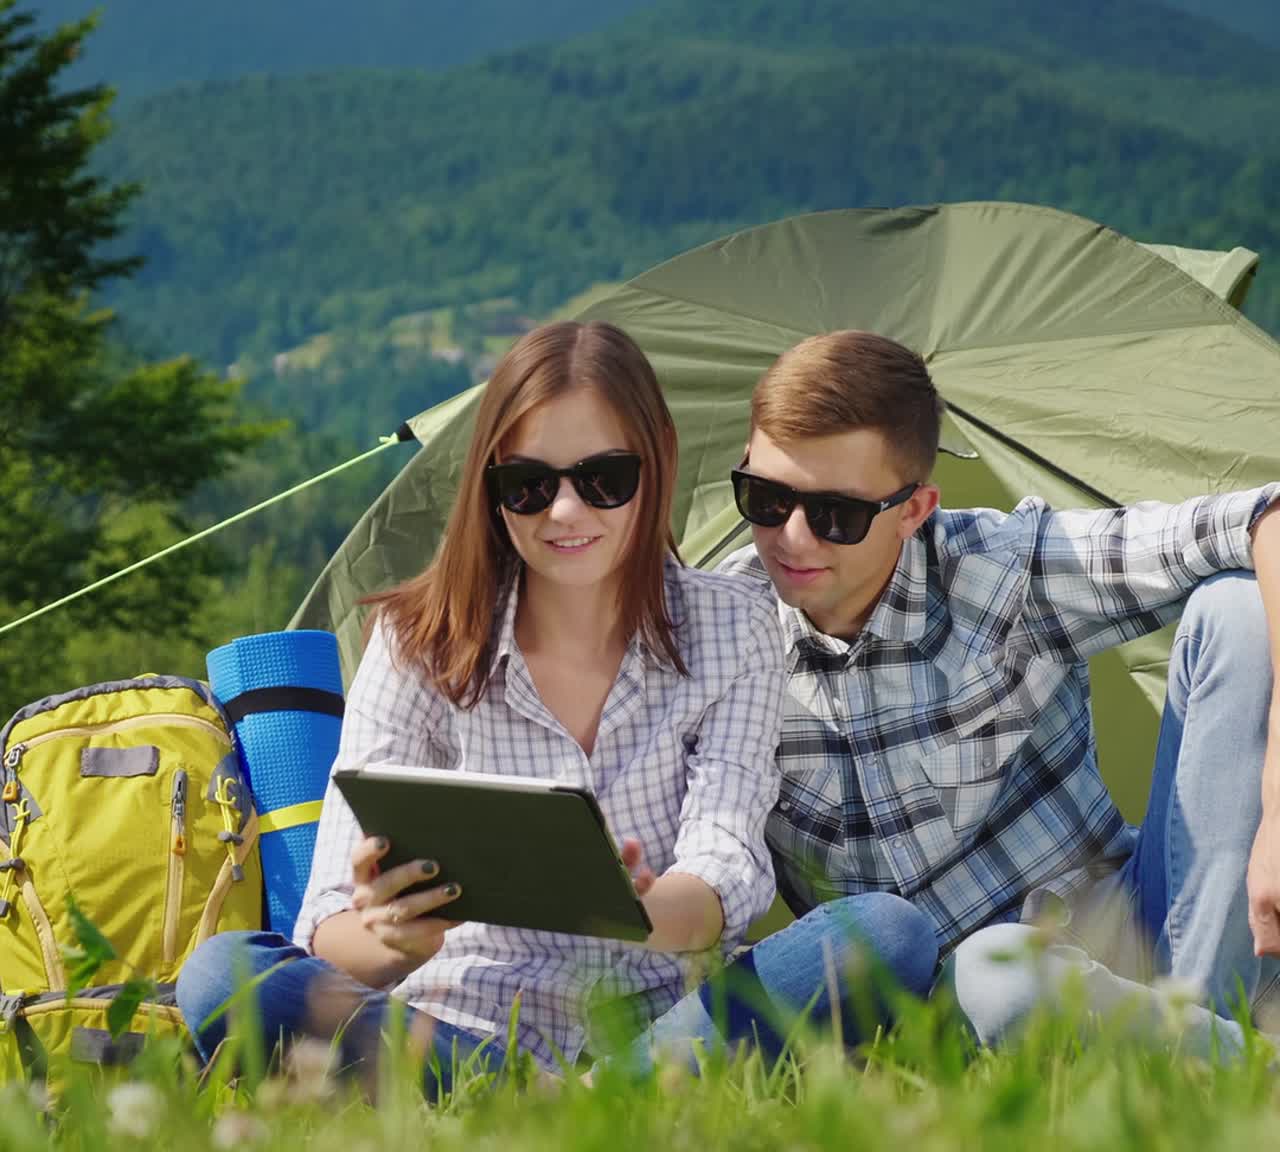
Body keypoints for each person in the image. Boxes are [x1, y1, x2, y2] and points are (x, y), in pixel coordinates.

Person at [176, 320, 937, 1094]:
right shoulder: (417, 640)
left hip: (661, 1024)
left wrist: (636, 907)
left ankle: (557, 1099)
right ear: (492, 489)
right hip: (450, 1029)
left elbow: (727, 867)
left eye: (605, 479)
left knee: (885, 935)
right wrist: (393, 936)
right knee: (222, 976)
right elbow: (328, 928)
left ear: (657, 464)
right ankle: (578, 1100)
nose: (565, 514)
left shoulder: (731, 624)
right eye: (530, 486)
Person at [644, 328, 1280, 1063]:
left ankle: (1207, 1036)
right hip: (948, 1007)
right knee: (996, 974)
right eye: (765, 498)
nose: (791, 538)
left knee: (1237, 610)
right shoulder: (725, 636)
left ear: (915, 511)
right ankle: (1227, 1065)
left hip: (1133, 928)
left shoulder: (1006, 570)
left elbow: (1265, 517)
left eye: (835, 516)